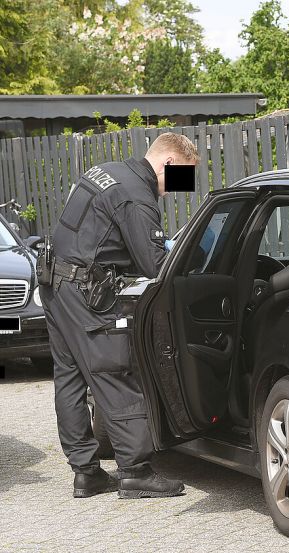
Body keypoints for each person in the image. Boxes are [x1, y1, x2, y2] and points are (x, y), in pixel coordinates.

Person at [40, 132, 198, 498]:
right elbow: (154, 265)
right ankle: (135, 471)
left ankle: (86, 473)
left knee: (69, 377)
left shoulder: (106, 171)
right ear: (169, 163)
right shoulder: (137, 197)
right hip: (85, 294)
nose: (175, 189)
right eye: (181, 177)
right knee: (115, 372)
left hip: (56, 283)